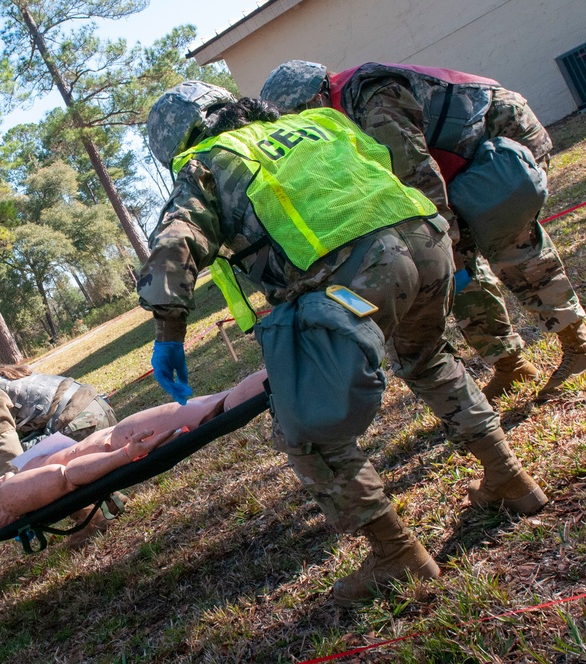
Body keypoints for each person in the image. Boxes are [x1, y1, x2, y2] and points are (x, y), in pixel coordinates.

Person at [138, 81, 548, 606]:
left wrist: (169, 333)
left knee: (304, 428)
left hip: (356, 273)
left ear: (176, 141)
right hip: (426, 242)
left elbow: (175, 243)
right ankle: (510, 480)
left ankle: (396, 554)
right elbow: (383, 167)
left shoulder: (208, 162)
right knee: (428, 360)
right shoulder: (312, 122)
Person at [259, 60, 586, 401]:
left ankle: (578, 345)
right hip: (457, 168)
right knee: (455, 270)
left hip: (499, 137)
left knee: (509, 243)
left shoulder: (370, 100)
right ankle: (510, 363)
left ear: (315, 99)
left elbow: (417, 174)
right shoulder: (340, 116)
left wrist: (443, 238)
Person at [0, 371, 268, 531]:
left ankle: (289, 369)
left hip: (117, 440)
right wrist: (126, 454)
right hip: (119, 442)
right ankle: (288, 369)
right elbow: (67, 476)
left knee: (214, 407)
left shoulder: (13, 486)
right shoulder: (10, 496)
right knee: (219, 409)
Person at [0, 362, 117, 477]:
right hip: (94, 410)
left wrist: (10, 496)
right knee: (27, 447)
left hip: (82, 424)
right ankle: (110, 503)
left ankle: (93, 517)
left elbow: (6, 454)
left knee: (29, 467)